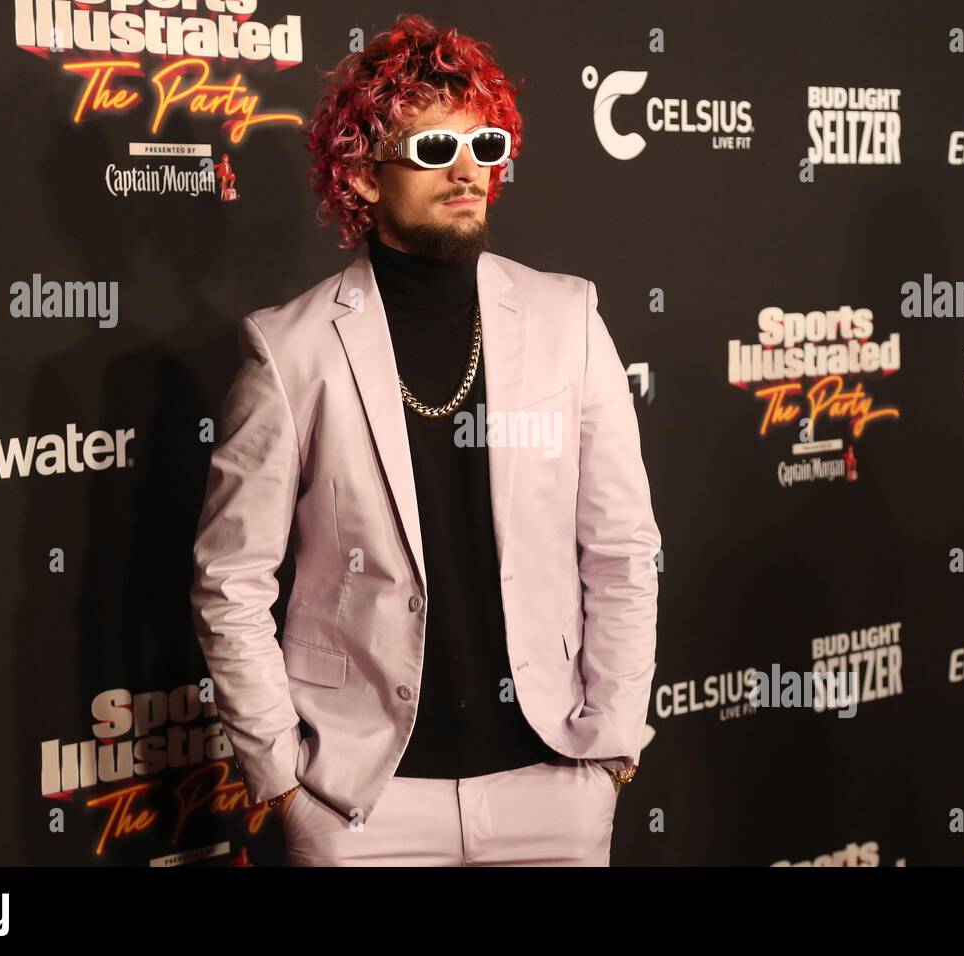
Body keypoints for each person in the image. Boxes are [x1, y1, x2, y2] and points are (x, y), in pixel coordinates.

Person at [190, 12, 661, 866]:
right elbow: (231, 579)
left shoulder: (568, 318)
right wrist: (284, 780)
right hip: (363, 802)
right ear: (363, 176)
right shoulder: (290, 347)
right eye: (435, 152)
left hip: (553, 783)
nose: (470, 171)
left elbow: (623, 547)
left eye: (484, 145)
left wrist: (612, 740)